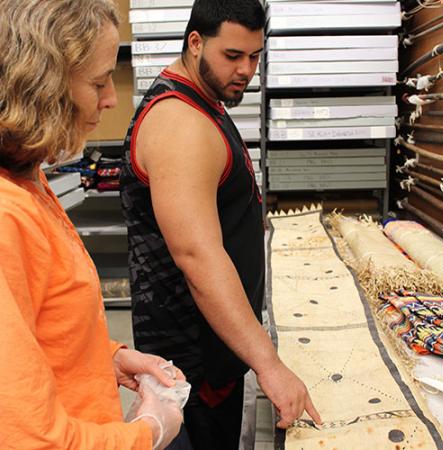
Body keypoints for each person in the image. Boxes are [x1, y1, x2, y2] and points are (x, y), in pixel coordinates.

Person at [120, 0, 322, 449]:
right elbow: (198, 257)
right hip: (194, 363)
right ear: (195, 42)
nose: (246, 70)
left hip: (214, 352)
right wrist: (269, 365)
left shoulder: (202, 102)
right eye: (232, 55)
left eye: (255, 56)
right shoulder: (179, 123)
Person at [0, 1, 184, 448]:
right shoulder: (5, 218)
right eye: (99, 82)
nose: (112, 99)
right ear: (43, 86)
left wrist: (109, 360)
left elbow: (35, 336)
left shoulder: (29, 179)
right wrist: (148, 432)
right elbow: (29, 439)